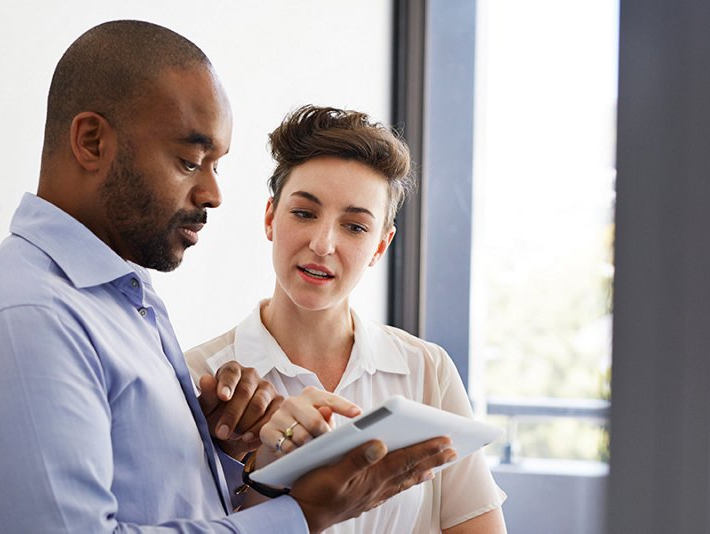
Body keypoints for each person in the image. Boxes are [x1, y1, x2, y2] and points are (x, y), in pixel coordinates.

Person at [0, 21, 458, 534]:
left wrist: (227, 457)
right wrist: (303, 516)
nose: (213, 195)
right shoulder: (27, 323)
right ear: (90, 142)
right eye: (189, 160)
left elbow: (153, 505)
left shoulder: (121, 303)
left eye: (216, 165)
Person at [185, 106, 508, 533]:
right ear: (270, 218)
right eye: (304, 213)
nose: (322, 244)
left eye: (355, 227)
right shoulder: (200, 378)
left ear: (380, 246)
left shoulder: (425, 370)